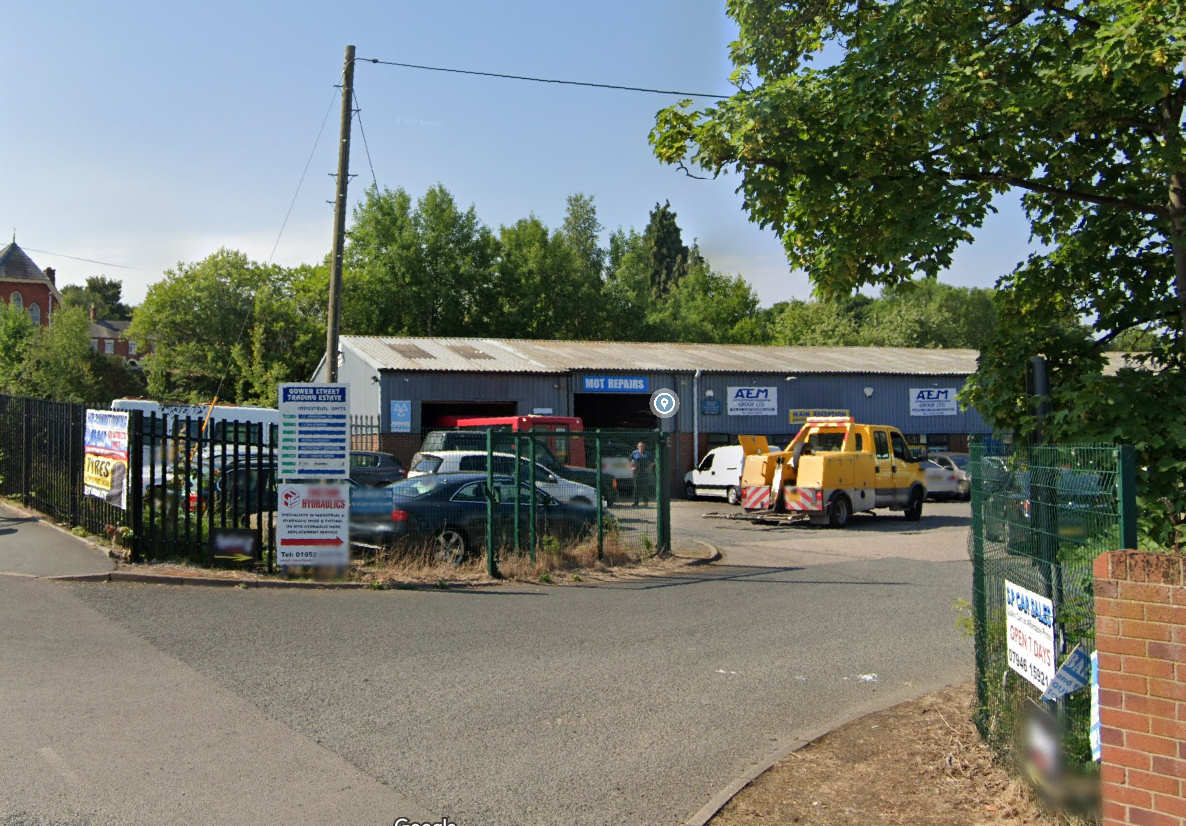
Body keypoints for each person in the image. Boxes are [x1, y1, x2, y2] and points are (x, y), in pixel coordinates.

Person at [631, 441, 652, 506]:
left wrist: (649, 468)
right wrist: (632, 467)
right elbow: (630, 460)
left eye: (642, 446)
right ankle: (635, 502)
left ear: (644, 447)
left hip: (645, 473)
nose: (641, 447)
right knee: (636, 488)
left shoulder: (647, 453)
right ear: (637, 447)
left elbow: (652, 462)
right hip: (636, 473)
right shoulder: (634, 453)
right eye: (640, 446)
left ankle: (645, 502)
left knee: (645, 488)